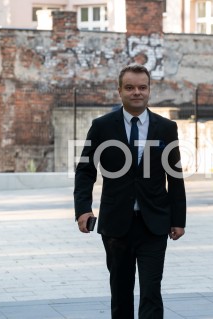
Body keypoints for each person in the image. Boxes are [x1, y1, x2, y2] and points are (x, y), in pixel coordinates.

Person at [74, 64, 186, 319]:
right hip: (116, 225)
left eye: (142, 87)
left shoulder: (166, 128)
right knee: (121, 293)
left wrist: (178, 220)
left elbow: (175, 177)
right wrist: (82, 209)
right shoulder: (102, 126)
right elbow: (85, 170)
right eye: (130, 87)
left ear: (149, 90)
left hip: (154, 223)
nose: (137, 92)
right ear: (120, 91)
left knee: (151, 292)